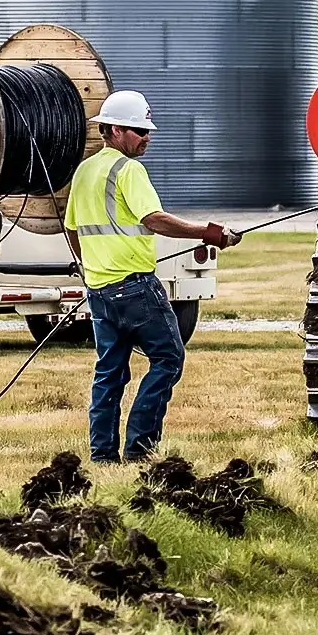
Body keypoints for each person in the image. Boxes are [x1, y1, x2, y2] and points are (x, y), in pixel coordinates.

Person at [63, 90, 242, 463]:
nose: (147, 137)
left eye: (147, 131)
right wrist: (211, 233)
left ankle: (102, 455)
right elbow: (155, 220)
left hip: (99, 289)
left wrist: (92, 269)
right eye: (138, 130)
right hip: (135, 288)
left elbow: (73, 230)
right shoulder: (129, 170)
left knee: (109, 371)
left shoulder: (83, 172)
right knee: (169, 358)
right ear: (113, 130)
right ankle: (140, 448)